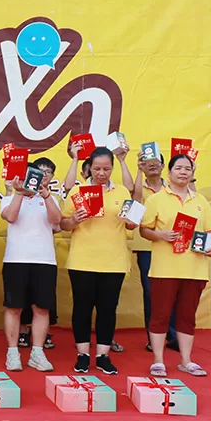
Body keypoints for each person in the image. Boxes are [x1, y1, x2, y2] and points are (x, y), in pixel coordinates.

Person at [140, 154, 211, 376]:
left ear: (192, 173)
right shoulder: (156, 199)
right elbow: (144, 230)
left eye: (188, 168)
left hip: (194, 268)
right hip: (164, 269)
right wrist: (161, 235)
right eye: (178, 168)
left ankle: (186, 360)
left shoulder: (200, 201)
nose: (183, 172)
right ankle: (158, 360)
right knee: (160, 314)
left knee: (187, 316)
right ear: (169, 172)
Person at [60, 147, 136, 374]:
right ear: (89, 168)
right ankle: (82, 354)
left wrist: (131, 221)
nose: (102, 173)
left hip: (114, 261)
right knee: (82, 308)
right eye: (97, 168)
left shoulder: (122, 192)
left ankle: (103, 355)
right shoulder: (78, 191)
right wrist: (74, 219)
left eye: (106, 169)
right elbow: (63, 224)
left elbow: (131, 224)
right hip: (82, 260)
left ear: (112, 168)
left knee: (108, 309)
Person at [0, 158, 61, 372]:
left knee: (41, 308)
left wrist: (46, 196)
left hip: (45, 260)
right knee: (14, 307)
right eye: (31, 175)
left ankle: (37, 352)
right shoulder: (9, 198)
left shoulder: (51, 198)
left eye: (43, 174)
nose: (38, 178)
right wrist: (19, 192)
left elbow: (57, 220)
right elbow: (11, 217)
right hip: (16, 259)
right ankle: (12, 352)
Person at [133, 152, 179, 352]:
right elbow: (134, 201)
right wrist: (137, 170)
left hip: (172, 245)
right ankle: (153, 336)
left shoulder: (172, 187)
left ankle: (173, 335)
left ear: (163, 166)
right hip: (146, 247)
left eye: (156, 162)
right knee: (151, 293)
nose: (152, 165)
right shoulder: (139, 188)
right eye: (147, 163)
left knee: (173, 291)